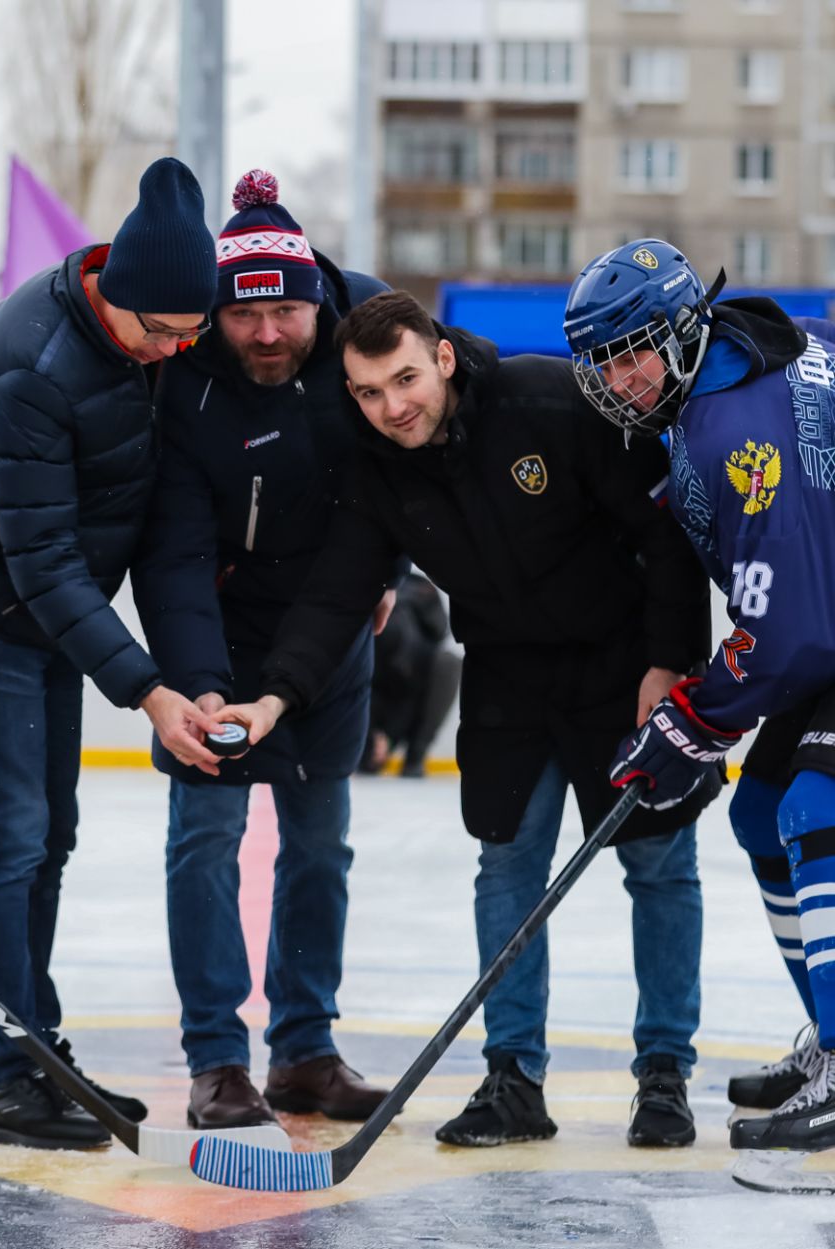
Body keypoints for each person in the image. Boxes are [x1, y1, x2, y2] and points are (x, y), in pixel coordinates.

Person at [214, 289, 719, 1150]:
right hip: (507, 680)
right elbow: (341, 588)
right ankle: (513, 1076)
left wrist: (668, 664)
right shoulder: (377, 464)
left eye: (405, 379)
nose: (391, 407)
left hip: (620, 668)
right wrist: (275, 694)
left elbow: (666, 532)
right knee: (506, 869)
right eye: (369, 392)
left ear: (442, 357)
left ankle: (664, 1073)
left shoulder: (551, 399)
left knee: (659, 865)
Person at [0, 157, 228, 1151]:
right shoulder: (30, 366)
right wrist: (144, 689)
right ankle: (12, 1076)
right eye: (161, 332)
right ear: (113, 297)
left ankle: (34, 1047)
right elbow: (38, 560)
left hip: (58, 603)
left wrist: (191, 674)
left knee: (53, 832)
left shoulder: (150, 344)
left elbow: (165, 522)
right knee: (10, 833)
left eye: (191, 331)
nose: (176, 350)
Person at [563, 238, 835, 1180]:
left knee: (813, 808)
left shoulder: (734, 427)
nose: (617, 379)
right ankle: (827, 1036)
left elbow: (792, 633)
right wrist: (695, 700)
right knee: (763, 813)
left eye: (634, 351)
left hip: (825, 629)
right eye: (603, 360)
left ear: (684, 330)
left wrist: (694, 717)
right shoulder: (727, 370)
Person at [130, 170, 391, 1129]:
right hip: (217, 623)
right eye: (247, 317)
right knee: (206, 841)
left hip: (329, 627)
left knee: (320, 846)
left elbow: (406, 463)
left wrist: (388, 571)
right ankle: (215, 1058)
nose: (268, 334)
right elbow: (172, 551)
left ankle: (306, 1051)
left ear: (317, 301)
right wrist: (195, 686)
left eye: (286, 310)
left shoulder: (365, 340)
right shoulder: (185, 377)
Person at [359, 571, 461, 778]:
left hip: (410, 683)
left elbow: (440, 630)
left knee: (448, 662)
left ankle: (415, 754)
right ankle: (369, 744)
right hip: (373, 694)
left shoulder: (419, 586)